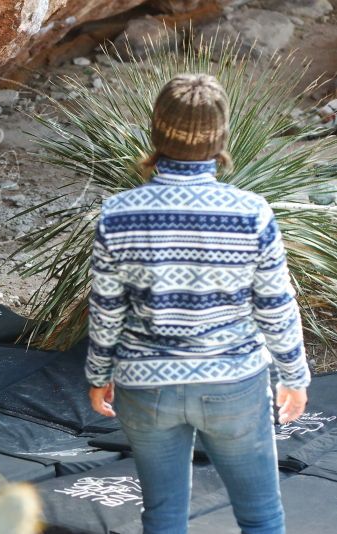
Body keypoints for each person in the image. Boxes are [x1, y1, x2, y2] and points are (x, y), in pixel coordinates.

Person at [85, 74, 310, 534]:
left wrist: (98, 375)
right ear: (222, 137)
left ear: (156, 133)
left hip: (145, 385)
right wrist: (294, 375)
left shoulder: (118, 213)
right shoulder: (252, 212)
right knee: (262, 517)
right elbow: (276, 304)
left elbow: (106, 311)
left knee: (164, 517)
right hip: (234, 386)